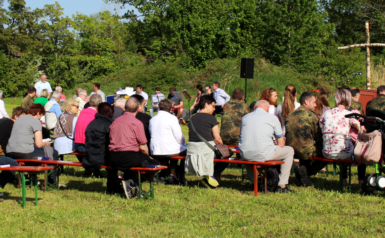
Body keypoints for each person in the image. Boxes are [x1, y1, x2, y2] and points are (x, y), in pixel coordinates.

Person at [109, 97, 160, 199]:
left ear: (125, 107)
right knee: (155, 164)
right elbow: (143, 146)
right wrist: (147, 156)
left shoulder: (115, 121)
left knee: (131, 167)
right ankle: (135, 184)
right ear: (138, 108)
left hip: (113, 157)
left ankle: (130, 184)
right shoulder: (136, 123)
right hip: (129, 156)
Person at [239, 100, 294, 193]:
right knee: (290, 151)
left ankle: (254, 182)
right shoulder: (272, 118)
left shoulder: (245, 117)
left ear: (254, 108)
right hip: (264, 153)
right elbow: (281, 143)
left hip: (245, 154)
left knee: (248, 154)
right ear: (267, 109)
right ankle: (282, 184)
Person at [6, 104, 59, 184]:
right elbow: (38, 144)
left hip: (10, 151)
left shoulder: (20, 119)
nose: (41, 118)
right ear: (38, 113)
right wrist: (47, 143)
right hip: (23, 152)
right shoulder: (35, 121)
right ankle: (52, 182)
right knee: (53, 152)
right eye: (41, 115)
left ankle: (32, 178)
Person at [286, 92, 327, 187]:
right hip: (306, 151)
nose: (315, 104)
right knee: (327, 151)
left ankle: (303, 170)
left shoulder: (290, 114)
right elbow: (319, 137)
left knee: (306, 146)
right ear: (306, 102)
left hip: (290, 150)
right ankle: (307, 171)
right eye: (314, 102)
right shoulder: (311, 116)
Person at [185, 95, 222, 189]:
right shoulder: (212, 118)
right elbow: (217, 139)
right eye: (213, 106)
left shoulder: (192, 118)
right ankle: (211, 178)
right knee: (225, 157)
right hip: (206, 153)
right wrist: (223, 146)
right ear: (206, 105)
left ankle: (209, 177)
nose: (214, 109)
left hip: (193, 153)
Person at [149, 99, 188, 184]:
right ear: (171, 109)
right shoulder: (172, 118)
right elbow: (179, 136)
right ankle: (182, 177)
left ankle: (172, 173)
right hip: (169, 150)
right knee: (184, 151)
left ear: (159, 108)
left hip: (155, 150)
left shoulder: (152, 119)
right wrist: (184, 144)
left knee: (175, 149)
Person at [214, 89, 250, 179]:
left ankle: (217, 172)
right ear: (242, 98)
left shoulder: (225, 105)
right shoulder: (244, 106)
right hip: (238, 138)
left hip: (223, 137)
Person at [84, 103, 115, 191]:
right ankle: (112, 187)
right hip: (103, 158)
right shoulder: (109, 124)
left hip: (89, 157)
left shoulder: (91, 123)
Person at [74, 94, 102, 176]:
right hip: (89, 146)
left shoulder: (82, 112)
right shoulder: (96, 115)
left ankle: (89, 170)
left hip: (79, 145)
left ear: (89, 103)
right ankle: (96, 171)